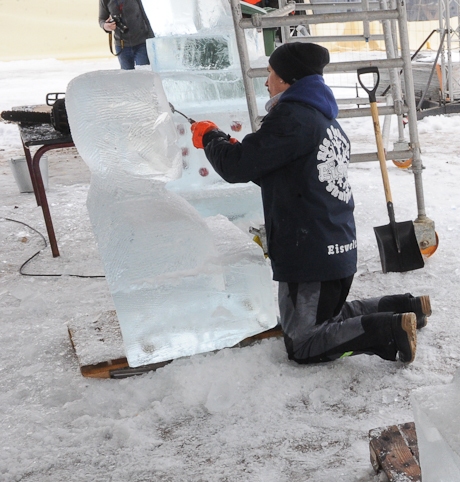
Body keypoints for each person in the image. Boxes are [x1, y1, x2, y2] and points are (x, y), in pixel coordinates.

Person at [194, 43, 429, 365]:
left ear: (288, 79)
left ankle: (389, 330)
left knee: (304, 342)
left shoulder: (291, 117)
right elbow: (287, 173)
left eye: (271, 75)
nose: (266, 82)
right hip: (333, 243)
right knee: (323, 316)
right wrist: (237, 148)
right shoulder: (322, 118)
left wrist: (212, 138)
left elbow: (237, 167)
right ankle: (405, 308)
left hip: (307, 251)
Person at [99, 0, 154, 70]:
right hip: (122, 46)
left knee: (143, 73)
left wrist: (152, 39)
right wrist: (105, 26)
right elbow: (101, 19)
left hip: (141, 43)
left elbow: (144, 16)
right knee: (127, 77)